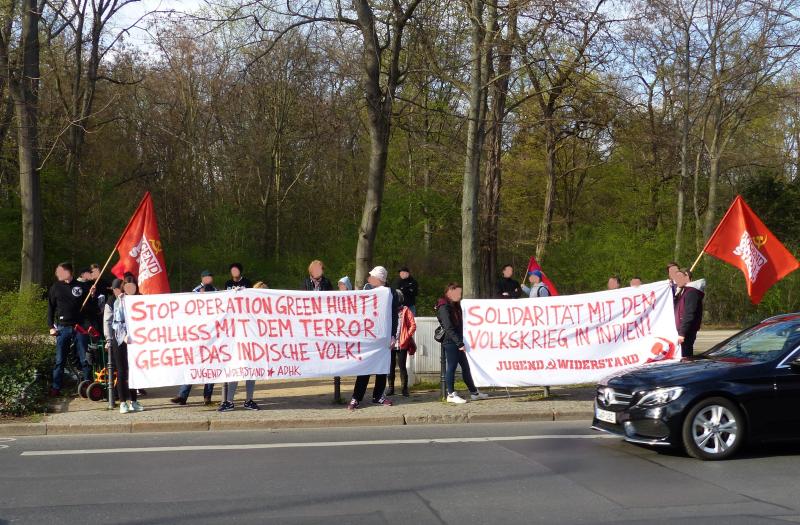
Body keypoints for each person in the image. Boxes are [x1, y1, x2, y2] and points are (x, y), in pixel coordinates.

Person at [348, 266, 399, 410]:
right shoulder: (368, 292)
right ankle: (356, 397)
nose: (370, 279)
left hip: (383, 336)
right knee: (365, 368)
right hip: (368, 336)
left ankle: (378, 396)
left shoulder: (391, 293)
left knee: (382, 368)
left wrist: (393, 335)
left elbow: (394, 316)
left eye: (373, 277)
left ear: (380, 279)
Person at [47, 262, 96, 397]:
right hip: (62, 328)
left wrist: (91, 296)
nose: (58, 274)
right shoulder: (55, 287)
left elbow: (90, 308)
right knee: (60, 359)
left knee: (84, 358)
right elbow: (50, 309)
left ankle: (87, 386)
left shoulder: (81, 286)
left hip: (79, 327)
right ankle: (56, 388)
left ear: (69, 272)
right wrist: (51, 327)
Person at [436, 283, 488, 404]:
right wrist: (459, 343)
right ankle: (451, 394)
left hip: (458, 340)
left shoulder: (454, 305)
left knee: (466, 367)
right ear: (450, 292)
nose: (459, 295)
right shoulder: (444, 306)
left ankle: (474, 392)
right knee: (452, 367)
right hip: (451, 341)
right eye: (457, 293)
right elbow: (448, 327)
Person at [171, 271, 218, 406]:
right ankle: (182, 395)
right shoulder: (195, 291)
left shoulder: (216, 291)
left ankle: (207, 396)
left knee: (211, 367)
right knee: (192, 365)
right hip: (196, 335)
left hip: (212, 336)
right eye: (206, 276)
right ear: (202, 278)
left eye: (210, 276)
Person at [219, 281, 267, 412]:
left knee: (251, 373)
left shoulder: (265, 309)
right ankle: (229, 401)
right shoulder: (244, 303)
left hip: (254, 345)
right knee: (235, 371)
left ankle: (248, 400)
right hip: (239, 343)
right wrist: (235, 293)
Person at [111, 279, 144, 413]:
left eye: (133, 286)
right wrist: (124, 335)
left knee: (134, 371)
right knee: (122, 371)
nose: (131, 289)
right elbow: (116, 322)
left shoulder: (140, 300)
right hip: (120, 341)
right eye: (128, 286)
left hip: (136, 341)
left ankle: (134, 401)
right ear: (124, 287)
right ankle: (123, 402)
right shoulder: (119, 301)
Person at [674, 268, 705, 358]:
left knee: (685, 357)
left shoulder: (692, 292)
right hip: (681, 331)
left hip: (686, 333)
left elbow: (689, 314)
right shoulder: (683, 292)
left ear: (687, 277)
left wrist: (682, 333)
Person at [387, 305, 416, 397]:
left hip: (402, 343)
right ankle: (391, 388)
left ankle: (404, 389)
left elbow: (413, 325)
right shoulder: (388, 309)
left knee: (402, 366)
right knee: (390, 367)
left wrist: (406, 337)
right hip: (390, 344)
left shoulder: (405, 310)